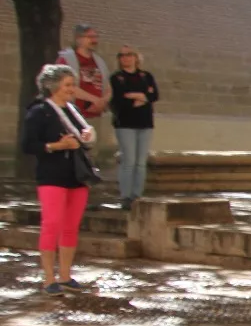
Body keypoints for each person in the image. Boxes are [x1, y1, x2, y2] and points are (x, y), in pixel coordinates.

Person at [22, 65, 97, 294]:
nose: (71, 89)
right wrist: (57, 145)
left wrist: (86, 136)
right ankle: (48, 278)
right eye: (67, 85)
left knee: (70, 227)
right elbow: (28, 145)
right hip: (51, 176)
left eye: (72, 84)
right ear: (52, 86)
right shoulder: (38, 111)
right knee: (51, 224)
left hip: (76, 175)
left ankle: (65, 275)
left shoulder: (73, 111)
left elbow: (85, 136)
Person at [109, 45, 158, 209]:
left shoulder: (146, 76)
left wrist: (138, 96)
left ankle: (137, 194)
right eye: (121, 55)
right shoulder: (117, 78)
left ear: (136, 57)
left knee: (140, 162)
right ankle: (126, 196)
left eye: (129, 55)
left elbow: (154, 95)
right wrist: (142, 98)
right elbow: (118, 100)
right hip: (125, 123)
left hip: (145, 123)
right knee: (128, 160)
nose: (125, 58)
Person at [57, 24, 109, 134]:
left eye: (96, 37)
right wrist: (94, 100)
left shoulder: (99, 61)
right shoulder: (65, 59)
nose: (94, 40)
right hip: (73, 116)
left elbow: (108, 87)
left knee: (93, 150)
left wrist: (102, 102)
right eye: (90, 37)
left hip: (95, 117)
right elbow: (65, 86)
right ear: (78, 39)